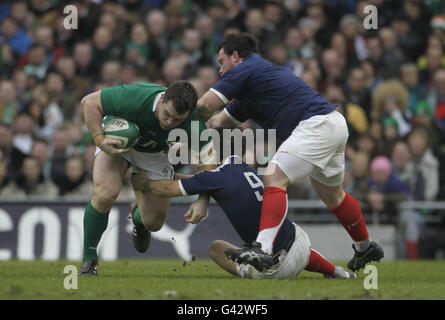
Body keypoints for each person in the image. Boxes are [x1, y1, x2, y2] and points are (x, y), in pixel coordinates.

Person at [195, 32, 384, 272]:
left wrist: (180, 117)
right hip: (332, 123)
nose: (220, 71)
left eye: (221, 63)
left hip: (315, 126)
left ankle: (262, 248)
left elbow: (204, 105)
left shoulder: (247, 66)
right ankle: (365, 246)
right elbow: (215, 122)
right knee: (333, 196)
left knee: (274, 176)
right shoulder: (250, 91)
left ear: (235, 56)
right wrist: (184, 137)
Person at [130, 136, 356, 279]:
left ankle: (250, 271)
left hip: (272, 267)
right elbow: (203, 179)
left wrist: (145, 184)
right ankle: (336, 271)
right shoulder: (239, 165)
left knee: (216, 248)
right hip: (301, 242)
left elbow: (167, 190)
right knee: (287, 239)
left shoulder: (216, 177)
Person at [79, 80, 215, 276]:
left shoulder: (194, 123)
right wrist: (100, 139)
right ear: (162, 99)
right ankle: (89, 260)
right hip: (118, 138)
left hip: (154, 153)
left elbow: (209, 163)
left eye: (177, 120)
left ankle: (138, 217)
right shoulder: (136, 96)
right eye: (167, 114)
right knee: (105, 194)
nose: (169, 122)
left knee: (154, 223)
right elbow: (89, 102)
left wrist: (203, 200)